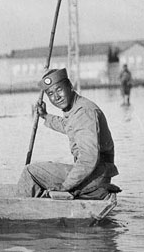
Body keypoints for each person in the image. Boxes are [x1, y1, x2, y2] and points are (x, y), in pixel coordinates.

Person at [17, 68, 120, 200]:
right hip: (97, 174)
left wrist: (66, 186)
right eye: (50, 94)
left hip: (95, 177)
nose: (56, 97)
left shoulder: (83, 112)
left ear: (70, 86)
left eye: (59, 90)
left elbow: (89, 158)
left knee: (30, 172)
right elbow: (69, 126)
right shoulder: (78, 109)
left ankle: (21, 210)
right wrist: (45, 116)